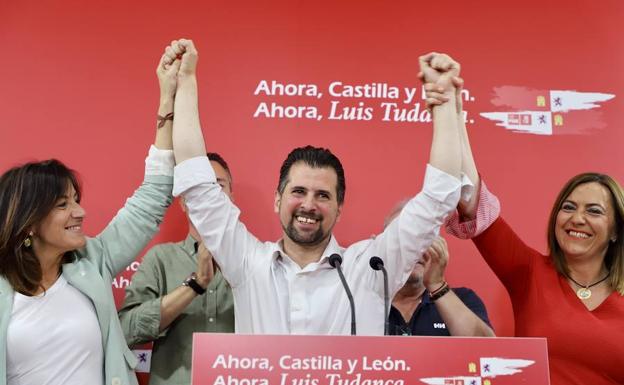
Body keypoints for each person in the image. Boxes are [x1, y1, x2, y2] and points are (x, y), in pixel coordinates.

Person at [167, 39, 473, 335]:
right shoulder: (247, 262)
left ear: (339, 209)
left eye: (323, 195)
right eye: (298, 192)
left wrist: (445, 104)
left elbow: (438, 196)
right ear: (277, 199)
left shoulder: (372, 267)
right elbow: (197, 185)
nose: (309, 205)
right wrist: (186, 81)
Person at [423, 64, 624, 384]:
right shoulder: (530, 272)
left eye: (594, 211)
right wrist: (452, 108)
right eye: (568, 207)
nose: (578, 218)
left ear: (616, 230)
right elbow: (471, 196)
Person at [0, 43, 177, 385]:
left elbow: (153, 197)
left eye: (76, 200)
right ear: (28, 222)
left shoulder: (92, 261)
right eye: (62, 204)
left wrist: (167, 99)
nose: (79, 212)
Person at [119, 152, 234, 385]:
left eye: (217, 186)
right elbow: (126, 331)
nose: (208, 195)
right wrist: (195, 284)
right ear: (182, 201)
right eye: (198, 187)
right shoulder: (160, 259)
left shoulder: (253, 260)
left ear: (231, 195)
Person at [389, 234, 493, 337]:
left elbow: (487, 348)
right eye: (403, 243)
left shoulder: (463, 299)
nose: (414, 253)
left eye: (422, 243)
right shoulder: (373, 301)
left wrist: (437, 285)